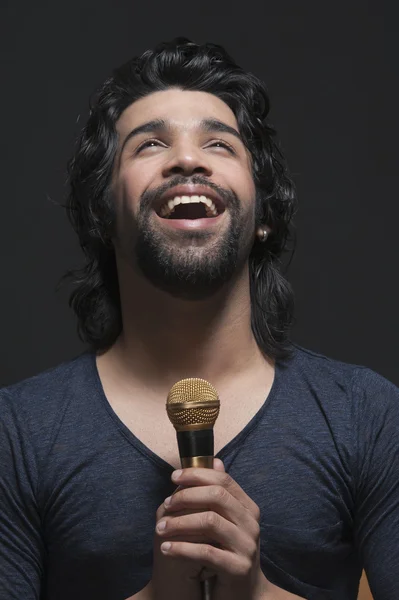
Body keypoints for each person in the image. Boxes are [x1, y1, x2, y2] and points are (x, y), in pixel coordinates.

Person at [0, 37, 398, 600]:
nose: (187, 159)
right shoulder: (16, 433)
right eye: (150, 144)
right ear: (104, 215)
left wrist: (258, 593)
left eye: (219, 144)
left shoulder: (368, 415)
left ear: (262, 214)